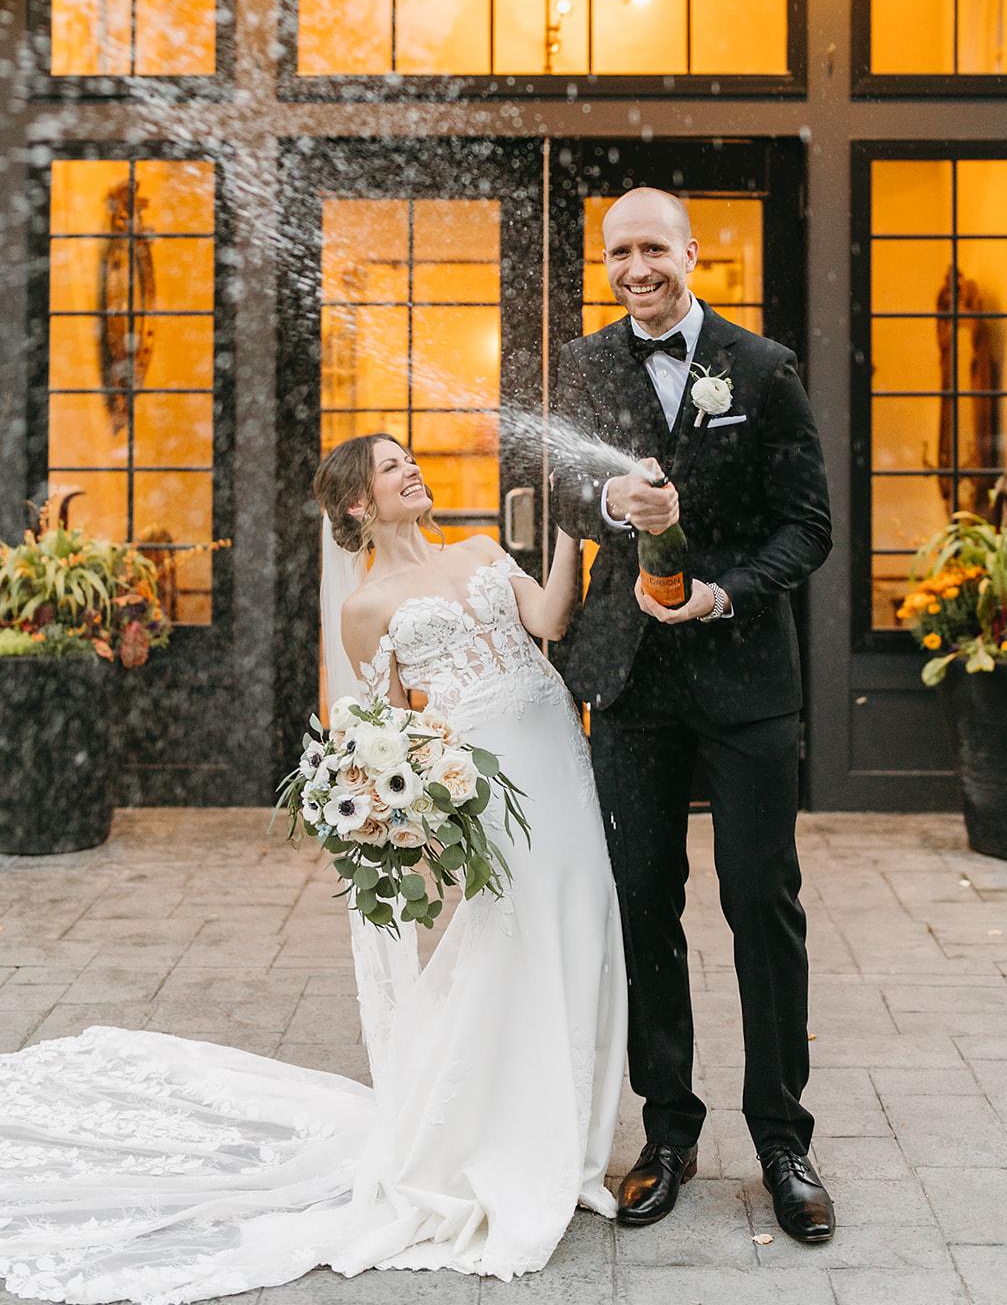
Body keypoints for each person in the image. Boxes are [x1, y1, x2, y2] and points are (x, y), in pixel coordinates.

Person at [0, 434, 627, 1302]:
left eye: (410, 460)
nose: (412, 470)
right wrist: (417, 815)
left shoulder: (482, 550)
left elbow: (550, 621)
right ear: (360, 503)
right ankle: (509, 1137)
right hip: (491, 780)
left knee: (585, 919)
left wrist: (569, 531)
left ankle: (570, 1134)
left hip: (556, 748)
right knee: (514, 938)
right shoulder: (365, 608)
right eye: (393, 467)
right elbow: (388, 733)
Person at [551, 186, 836, 1243]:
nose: (636, 269)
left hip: (746, 679)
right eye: (618, 252)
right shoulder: (583, 365)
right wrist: (607, 503)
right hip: (632, 685)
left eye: (653, 249)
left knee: (761, 901)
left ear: (690, 253)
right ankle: (666, 1132)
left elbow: (807, 526)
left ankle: (783, 1138)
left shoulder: (760, 368)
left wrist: (721, 592)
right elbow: (554, 485)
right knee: (642, 903)